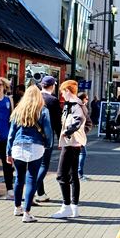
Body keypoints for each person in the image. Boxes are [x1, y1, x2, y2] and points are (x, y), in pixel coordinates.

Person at [6, 85, 53, 223]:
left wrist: (8, 152)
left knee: (18, 178)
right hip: (36, 146)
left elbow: (11, 134)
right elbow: (48, 131)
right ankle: (27, 213)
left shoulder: (18, 110)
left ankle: (17, 207)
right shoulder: (43, 110)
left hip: (18, 146)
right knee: (31, 178)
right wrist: (48, 144)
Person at [52, 80, 87, 219]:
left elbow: (80, 120)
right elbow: (87, 122)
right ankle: (74, 207)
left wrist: (68, 132)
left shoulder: (75, 105)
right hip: (73, 144)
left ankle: (66, 206)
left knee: (61, 175)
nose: (62, 95)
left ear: (67, 91)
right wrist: (80, 135)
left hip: (70, 144)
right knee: (73, 175)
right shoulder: (75, 104)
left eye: (62, 92)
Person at [33, 76, 62, 204]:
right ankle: (32, 190)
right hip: (46, 136)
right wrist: (60, 138)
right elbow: (57, 122)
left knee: (35, 165)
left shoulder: (34, 97)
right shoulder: (53, 100)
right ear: (52, 86)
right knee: (44, 165)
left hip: (32, 135)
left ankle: (41, 193)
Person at [77, 92, 92, 181]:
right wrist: (84, 131)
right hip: (79, 135)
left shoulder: (73, 105)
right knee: (82, 153)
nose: (87, 100)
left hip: (75, 134)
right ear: (82, 99)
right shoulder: (82, 107)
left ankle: (77, 173)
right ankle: (79, 174)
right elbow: (88, 122)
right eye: (86, 99)